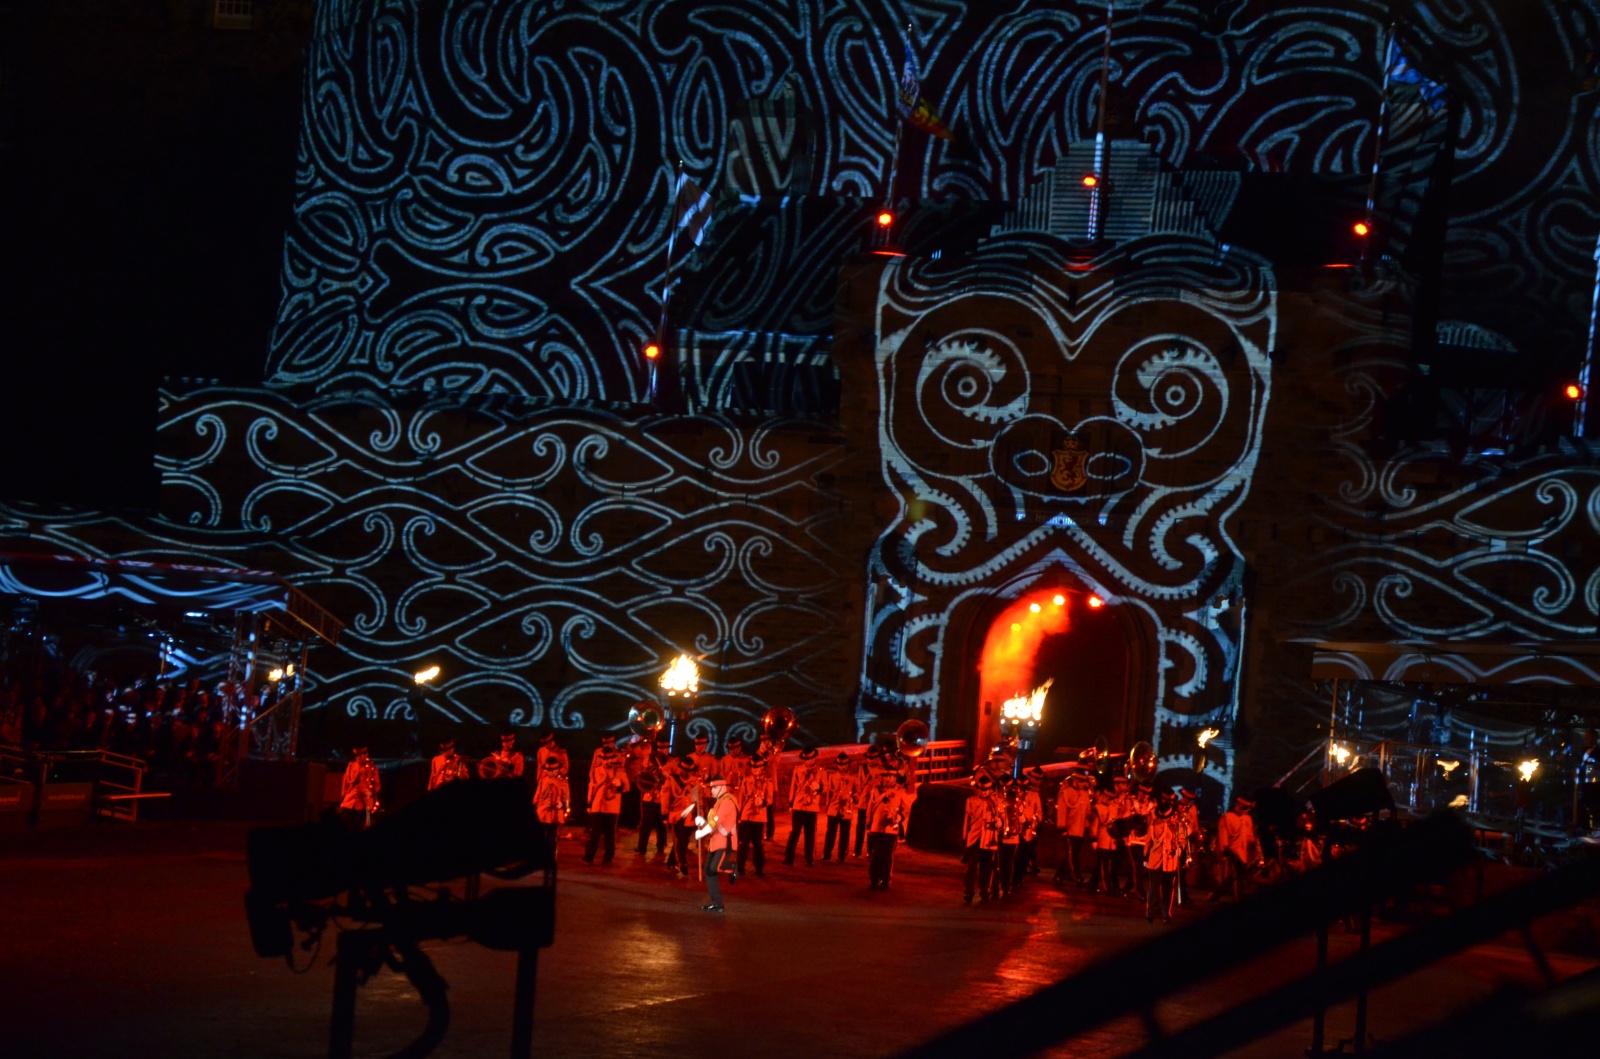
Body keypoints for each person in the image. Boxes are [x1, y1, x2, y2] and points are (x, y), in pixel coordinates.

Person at [694, 774, 739, 912]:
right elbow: (712, 821)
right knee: (708, 871)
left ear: (720, 787)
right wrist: (702, 822)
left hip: (725, 842)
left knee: (714, 868)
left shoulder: (727, 801)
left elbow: (715, 822)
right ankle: (717, 902)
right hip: (715, 842)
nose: (711, 791)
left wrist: (702, 832)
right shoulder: (719, 801)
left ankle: (732, 868)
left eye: (713, 789)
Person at [866, 771, 915, 889]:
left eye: (890, 776)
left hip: (891, 829)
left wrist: (900, 817)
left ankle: (885, 879)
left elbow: (906, 808)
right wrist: (868, 825)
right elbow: (870, 808)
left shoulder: (900, 792)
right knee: (876, 854)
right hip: (876, 827)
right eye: (885, 776)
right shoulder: (875, 791)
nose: (887, 779)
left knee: (887, 855)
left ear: (895, 778)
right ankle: (874, 879)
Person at [584, 743, 631, 865]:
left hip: (612, 806)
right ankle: (589, 856)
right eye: (604, 759)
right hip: (597, 805)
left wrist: (619, 785)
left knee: (610, 834)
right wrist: (589, 803)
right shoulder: (596, 770)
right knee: (595, 833)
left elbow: (627, 787)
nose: (607, 761)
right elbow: (591, 787)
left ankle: (608, 857)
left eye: (609, 758)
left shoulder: (619, 771)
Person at [1144, 791, 1187, 923]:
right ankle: (1150, 912)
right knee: (1154, 888)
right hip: (1155, 860)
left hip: (1170, 861)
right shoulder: (1154, 824)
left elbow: (1182, 840)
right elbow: (1148, 841)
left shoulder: (1177, 825)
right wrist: (1145, 858)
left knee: (1168, 889)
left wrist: (1180, 848)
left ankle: (1165, 913)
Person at [1212, 794, 1260, 902]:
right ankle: (1235, 898)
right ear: (1238, 805)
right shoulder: (1227, 817)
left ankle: (1219, 896)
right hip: (1232, 852)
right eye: (1244, 807)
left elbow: (1250, 837)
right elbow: (1223, 836)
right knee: (1233, 877)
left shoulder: (1248, 819)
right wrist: (1225, 850)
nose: (1246, 811)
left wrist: (1254, 847)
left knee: (1237, 878)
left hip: (1244, 854)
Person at [784, 747, 825, 866]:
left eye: (810, 759)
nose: (807, 762)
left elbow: (826, 788)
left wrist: (819, 788)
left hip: (812, 805)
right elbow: (793, 787)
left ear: (814, 758)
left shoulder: (820, 771)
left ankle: (809, 858)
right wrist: (791, 802)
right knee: (795, 831)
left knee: (810, 833)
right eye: (806, 759)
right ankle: (789, 857)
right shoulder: (798, 769)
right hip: (798, 804)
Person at [962, 774, 999, 904]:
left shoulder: (996, 802)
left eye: (986, 790)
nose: (983, 792)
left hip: (989, 839)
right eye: (981, 789)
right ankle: (968, 893)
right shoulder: (971, 800)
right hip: (974, 838)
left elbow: (1001, 820)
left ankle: (985, 891)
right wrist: (964, 839)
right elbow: (966, 821)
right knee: (971, 868)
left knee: (987, 867)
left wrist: (999, 822)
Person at [1054, 771, 1093, 886]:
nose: (1081, 784)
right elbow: (1062, 812)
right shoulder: (1066, 793)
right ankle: (1077, 877)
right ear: (1075, 780)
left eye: (1083, 782)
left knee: (1071, 855)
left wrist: (1088, 824)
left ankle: (1059, 875)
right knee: (1072, 855)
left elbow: (1087, 812)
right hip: (1070, 830)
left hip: (1080, 830)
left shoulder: (1085, 795)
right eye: (1079, 781)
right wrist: (1063, 829)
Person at [634, 736, 671, 857]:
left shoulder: (671, 761)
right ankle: (641, 847)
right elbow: (643, 775)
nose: (663, 750)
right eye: (661, 748)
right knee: (646, 823)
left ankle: (661, 846)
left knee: (661, 823)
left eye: (665, 748)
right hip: (649, 796)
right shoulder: (649, 759)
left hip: (662, 797)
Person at [737, 753, 772, 876]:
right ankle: (740, 866)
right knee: (743, 842)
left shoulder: (767, 781)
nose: (755, 770)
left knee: (757, 842)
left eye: (757, 767)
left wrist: (763, 802)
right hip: (746, 814)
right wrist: (739, 814)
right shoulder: (746, 780)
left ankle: (759, 866)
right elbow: (741, 797)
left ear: (762, 768)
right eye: (753, 767)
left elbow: (770, 798)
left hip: (759, 815)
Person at [821, 752, 860, 861]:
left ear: (847, 765)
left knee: (844, 833)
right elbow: (829, 791)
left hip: (846, 808)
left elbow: (857, 793)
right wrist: (828, 805)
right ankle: (827, 853)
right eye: (839, 764)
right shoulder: (833, 776)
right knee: (830, 832)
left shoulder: (853, 778)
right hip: (834, 807)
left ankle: (842, 854)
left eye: (843, 765)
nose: (841, 767)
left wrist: (851, 799)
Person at [1013, 769, 1045, 888]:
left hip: (1028, 832)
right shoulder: (1012, 794)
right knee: (1014, 857)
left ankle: (1019, 878)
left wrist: (1032, 821)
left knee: (1024, 856)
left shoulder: (1034, 796)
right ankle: (1012, 878)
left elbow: (1039, 814)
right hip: (1014, 831)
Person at [534, 757, 570, 856]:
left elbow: (566, 799)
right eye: (548, 770)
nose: (550, 772)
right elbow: (537, 797)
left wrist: (562, 804)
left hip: (555, 815)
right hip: (542, 812)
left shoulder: (563, 782)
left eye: (552, 770)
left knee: (552, 838)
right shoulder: (543, 780)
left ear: (557, 769)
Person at [339, 745, 380, 829]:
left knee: (359, 825)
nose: (358, 758)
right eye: (357, 756)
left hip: (363, 803)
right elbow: (346, 781)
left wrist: (371, 792)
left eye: (360, 755)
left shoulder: (371, 767)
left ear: (366, 755)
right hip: (350, 799)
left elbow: (377, 785)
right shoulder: (351, 765)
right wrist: (343, 795)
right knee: (344, 821)